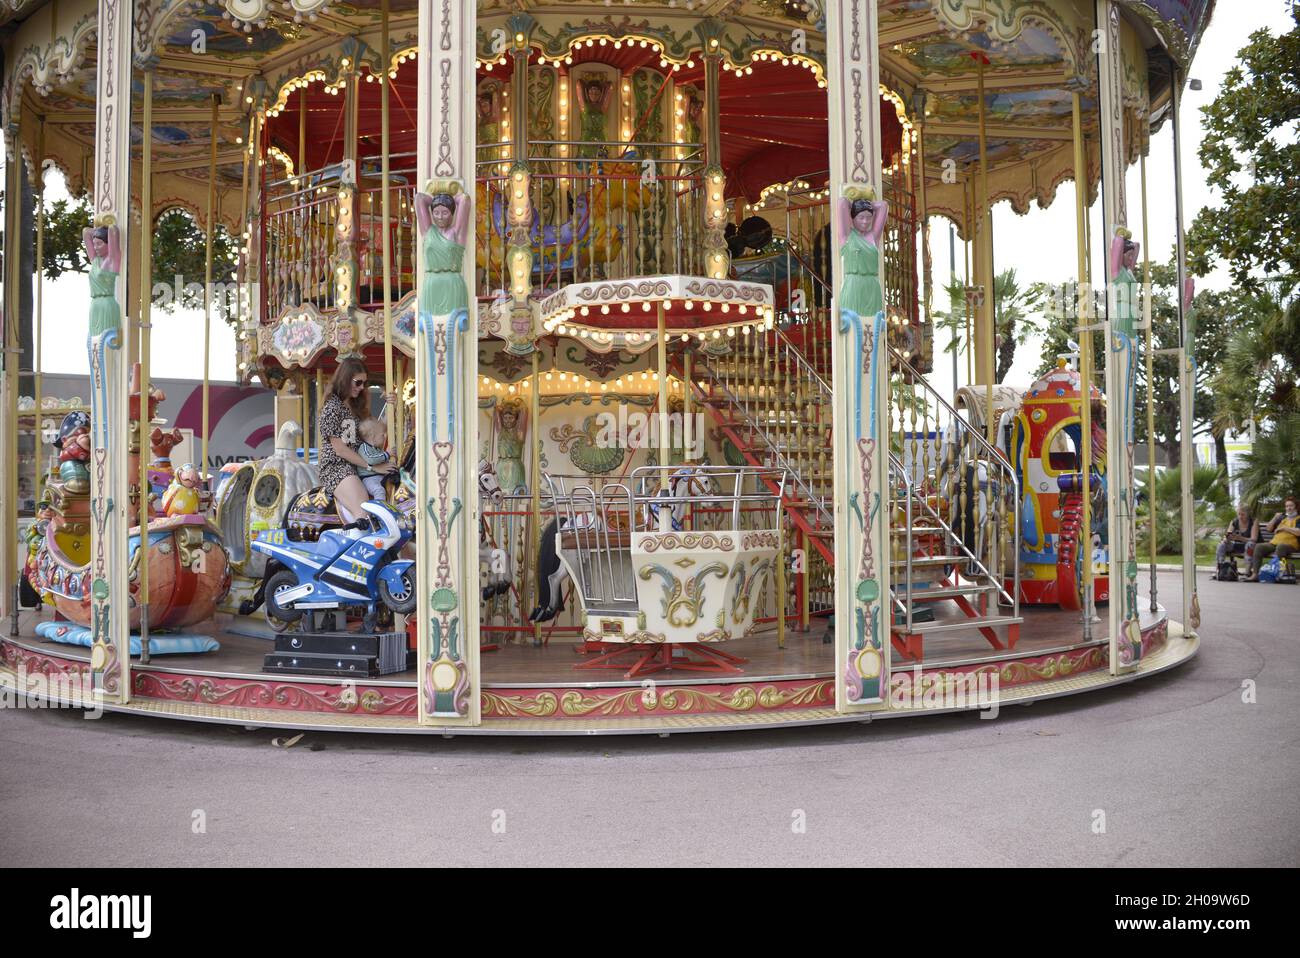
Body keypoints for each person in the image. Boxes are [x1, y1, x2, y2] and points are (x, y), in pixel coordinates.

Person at [317, 356, 397, 525]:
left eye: (364, 384)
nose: (361, 388)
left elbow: (375, 431)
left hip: (358, 465)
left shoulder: (354, 406)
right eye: (357, 382)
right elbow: (340, 449)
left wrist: (392, 407)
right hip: (337, 466)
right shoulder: (332, 408)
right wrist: (372, 466)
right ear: (345, 379)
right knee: (364, 511)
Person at [836, 187, 888, 319]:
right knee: (852, 325)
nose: (865, 221)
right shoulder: (846, 236)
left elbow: (883, 206)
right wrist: (855, 203)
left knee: (873, 325)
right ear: (852, 218)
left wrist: (866, 203)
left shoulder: (873, 237)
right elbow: (842, 202)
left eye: (869, 218)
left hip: (872, 286)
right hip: (853, 284)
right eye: (861, 217)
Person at [1244, 496, 1299, 581]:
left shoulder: (1298, 518)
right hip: (1274, 542)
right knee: (1259, 547)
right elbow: (1269, 529)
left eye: (1291, 506)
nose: (1289, 508)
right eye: (1287, 506)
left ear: (1296, 506)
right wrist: (1275, 518)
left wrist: (1285, 528)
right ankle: (1255, 574)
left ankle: (1280, 572)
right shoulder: (1282, 518)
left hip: (1290, 545)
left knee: (1281, 547)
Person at [1214, 504, 1257, 578]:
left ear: (1248, 514)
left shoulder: (1253, 522)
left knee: (1250, 544)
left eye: (1243, 514)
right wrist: (1226, 539)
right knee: (1221, 545)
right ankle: (1220, 569)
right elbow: (1228, 533)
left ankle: (1247, 572)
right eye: (1239, 514)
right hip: (1236, 545)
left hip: (1251, 546)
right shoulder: (1234, 521)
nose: (1240, 516)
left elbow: (1254, 539)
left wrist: (1240, 538)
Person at [355, 417, 392, 500]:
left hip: (378, 476)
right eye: (382, 434)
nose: (385, 436)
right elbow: (371, 459)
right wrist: (387, 454)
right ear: (373, 437)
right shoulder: (364, 448)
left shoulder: (377, 448)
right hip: (369, 478)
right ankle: (379, 510)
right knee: (379, 490)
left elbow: (382, 460)